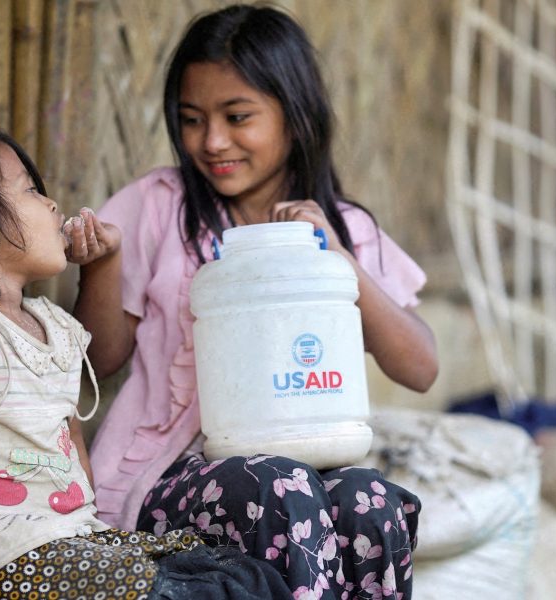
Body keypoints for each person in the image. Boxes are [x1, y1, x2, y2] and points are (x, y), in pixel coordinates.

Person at [77, 5, 439, 599]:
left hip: (303, 476)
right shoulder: (160, 206)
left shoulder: (343, 228)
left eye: (237, 116)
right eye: (192, 119)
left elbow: (421, 368)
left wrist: (338, 261)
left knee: (371, 498)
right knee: (286, 484)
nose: (213, 141)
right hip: (171, 478)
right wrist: (104, 264)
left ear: (295, 117)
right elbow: (102, 357)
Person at [0, 129, 288, 600]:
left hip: (74, 540)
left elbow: (71, 443)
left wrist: (104, 260)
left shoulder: (55, 325)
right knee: (183, 593)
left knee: (239, 576)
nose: (51, 205)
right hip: (7, 557)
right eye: (30, 190)